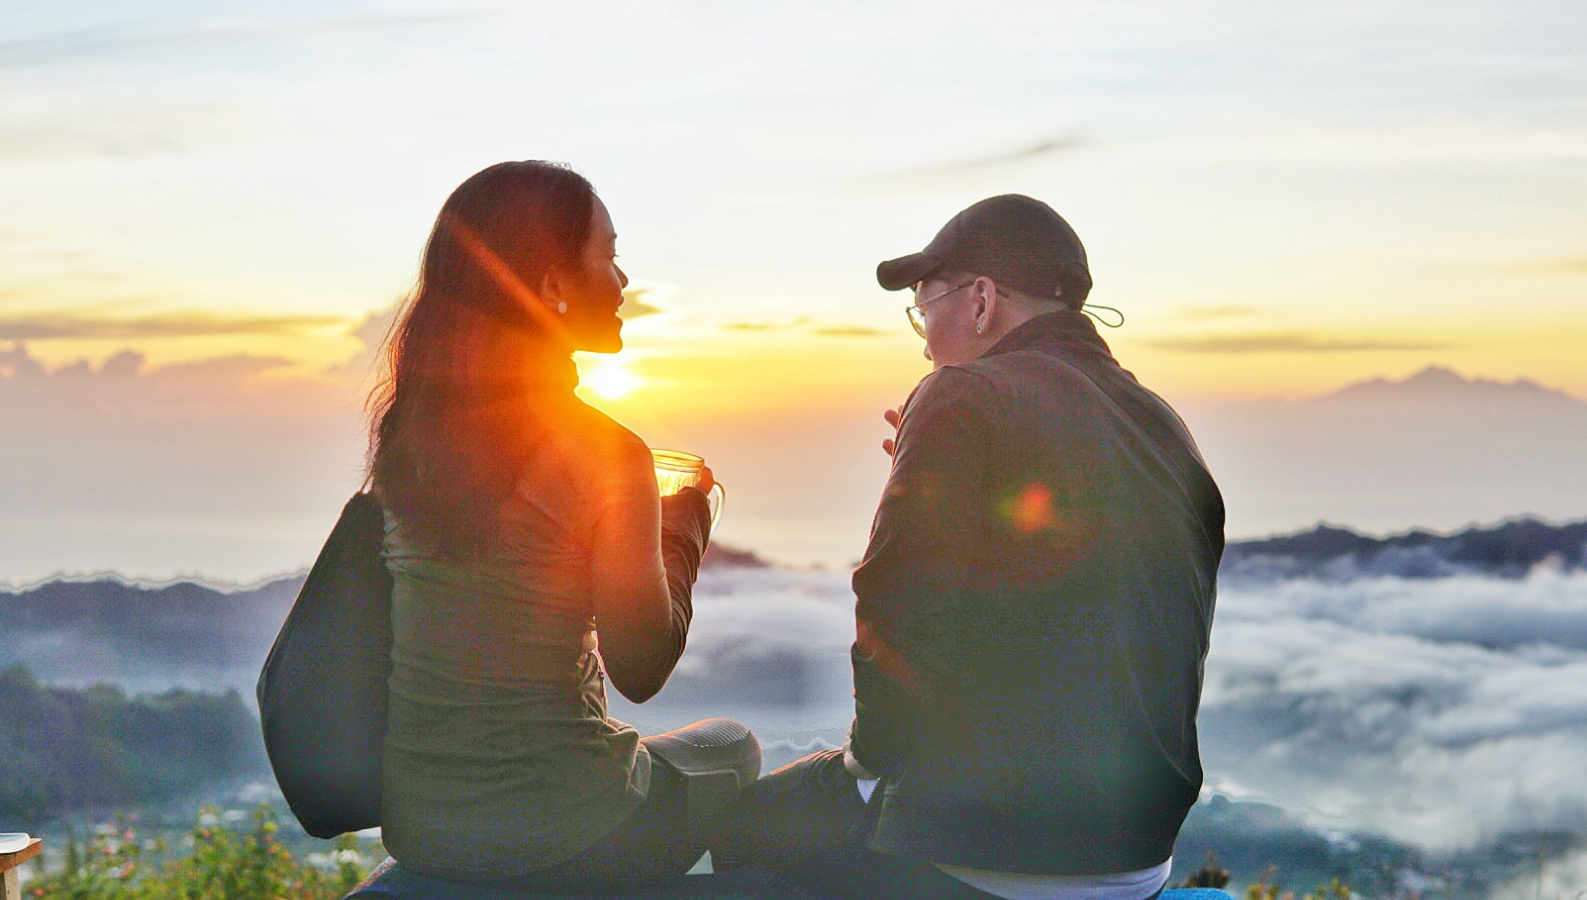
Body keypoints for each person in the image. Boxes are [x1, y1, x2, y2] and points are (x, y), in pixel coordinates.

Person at [713, 194, 1225, 900]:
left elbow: (897, 601)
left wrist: (867, 762)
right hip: (1139, 858)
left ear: (982, 302)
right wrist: (924, 466)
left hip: (992, 850)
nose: (923, 339)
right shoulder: (1165, 425)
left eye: (925, 307)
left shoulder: (959, 393)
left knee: (733, 829)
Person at [367, 160, 759, 893]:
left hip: (423, 829)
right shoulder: (606, 453)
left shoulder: (410, 436)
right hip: (569, 835)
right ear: (550, 285)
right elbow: (640, 672)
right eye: (607, 256)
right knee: (735, 747)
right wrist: (684, 530)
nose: (623, 280)